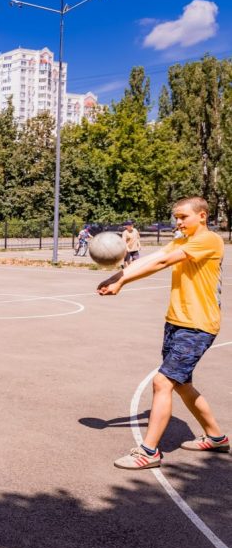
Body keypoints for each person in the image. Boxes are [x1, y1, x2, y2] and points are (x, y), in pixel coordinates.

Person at [98, 196, 229, 469]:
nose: (178, 221)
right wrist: (116, 277)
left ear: (202, 215)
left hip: (198, 325)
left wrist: (121, 281)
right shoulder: (181, 240)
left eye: (184, 217)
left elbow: (163, 263)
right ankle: (216, 437)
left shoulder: (209, 240)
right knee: (180, 384)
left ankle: (149, 452)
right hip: (177, 322)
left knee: (162, 382)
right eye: (176, 217)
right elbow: (154, 258)